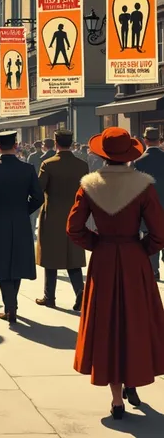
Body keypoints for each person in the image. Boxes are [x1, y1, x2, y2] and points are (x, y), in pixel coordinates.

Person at [67, 127, 164, 418]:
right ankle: (133, 382)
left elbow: (73, 228)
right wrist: (142, 249)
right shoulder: (144, 186)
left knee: (107, 322)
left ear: (103, 154)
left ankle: (116, 400)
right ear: (129, 155)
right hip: (134, 257)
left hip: (105, 258)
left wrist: (96, 243)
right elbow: (160, 232)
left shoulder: (89, 185)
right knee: (134, 319)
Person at [0, 131, 44, 323]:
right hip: (21, 220)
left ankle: (10, 306)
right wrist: (24, 210)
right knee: (18, 262)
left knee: (2, 263)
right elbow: (39, 197)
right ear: (16, 145)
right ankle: (12, 305)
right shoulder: (28, 168)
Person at [35, 130, 89, 311]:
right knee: (73, 257)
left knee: (50, 257)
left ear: (56, 143)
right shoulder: (82, 165)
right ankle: (80, 291)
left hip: (52, 216)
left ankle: (49, 296)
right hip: (75, 215)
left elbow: (39, 189)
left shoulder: (48, 164)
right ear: (72, 143)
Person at [134, 126, 164, 280]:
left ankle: (154, 270)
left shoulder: (138, 163)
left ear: (145, 140)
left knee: (150, 236)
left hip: (147, 208)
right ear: (159, 141)